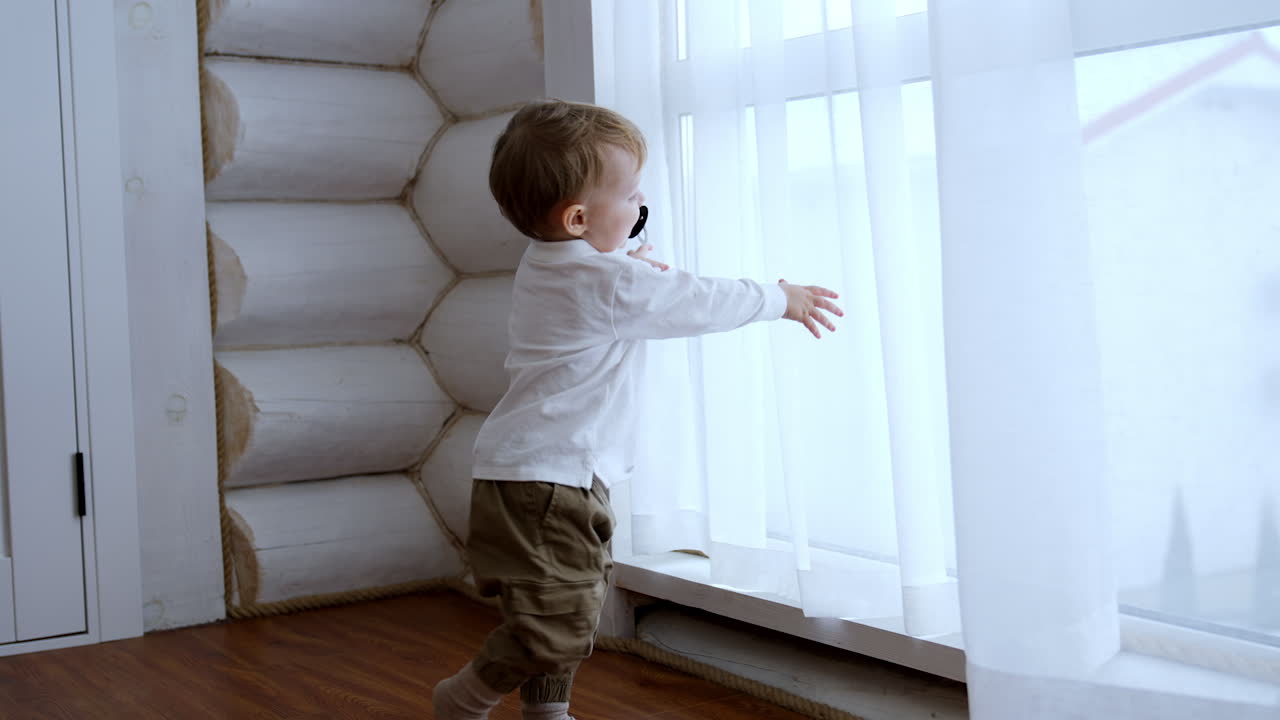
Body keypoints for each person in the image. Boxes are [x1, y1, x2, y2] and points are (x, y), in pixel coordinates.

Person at [432, 99, 842, 720]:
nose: (641, 208)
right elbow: (695, 300)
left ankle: (546, 712)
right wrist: (777, 298)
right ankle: (465, 696)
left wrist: (624, 258)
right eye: (631, 199)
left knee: (567, 601)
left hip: (552, 474)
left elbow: (614, 283)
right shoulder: (606, 283)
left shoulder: (553, 264)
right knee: (557, 621)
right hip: (546, 481)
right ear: (576, 218)